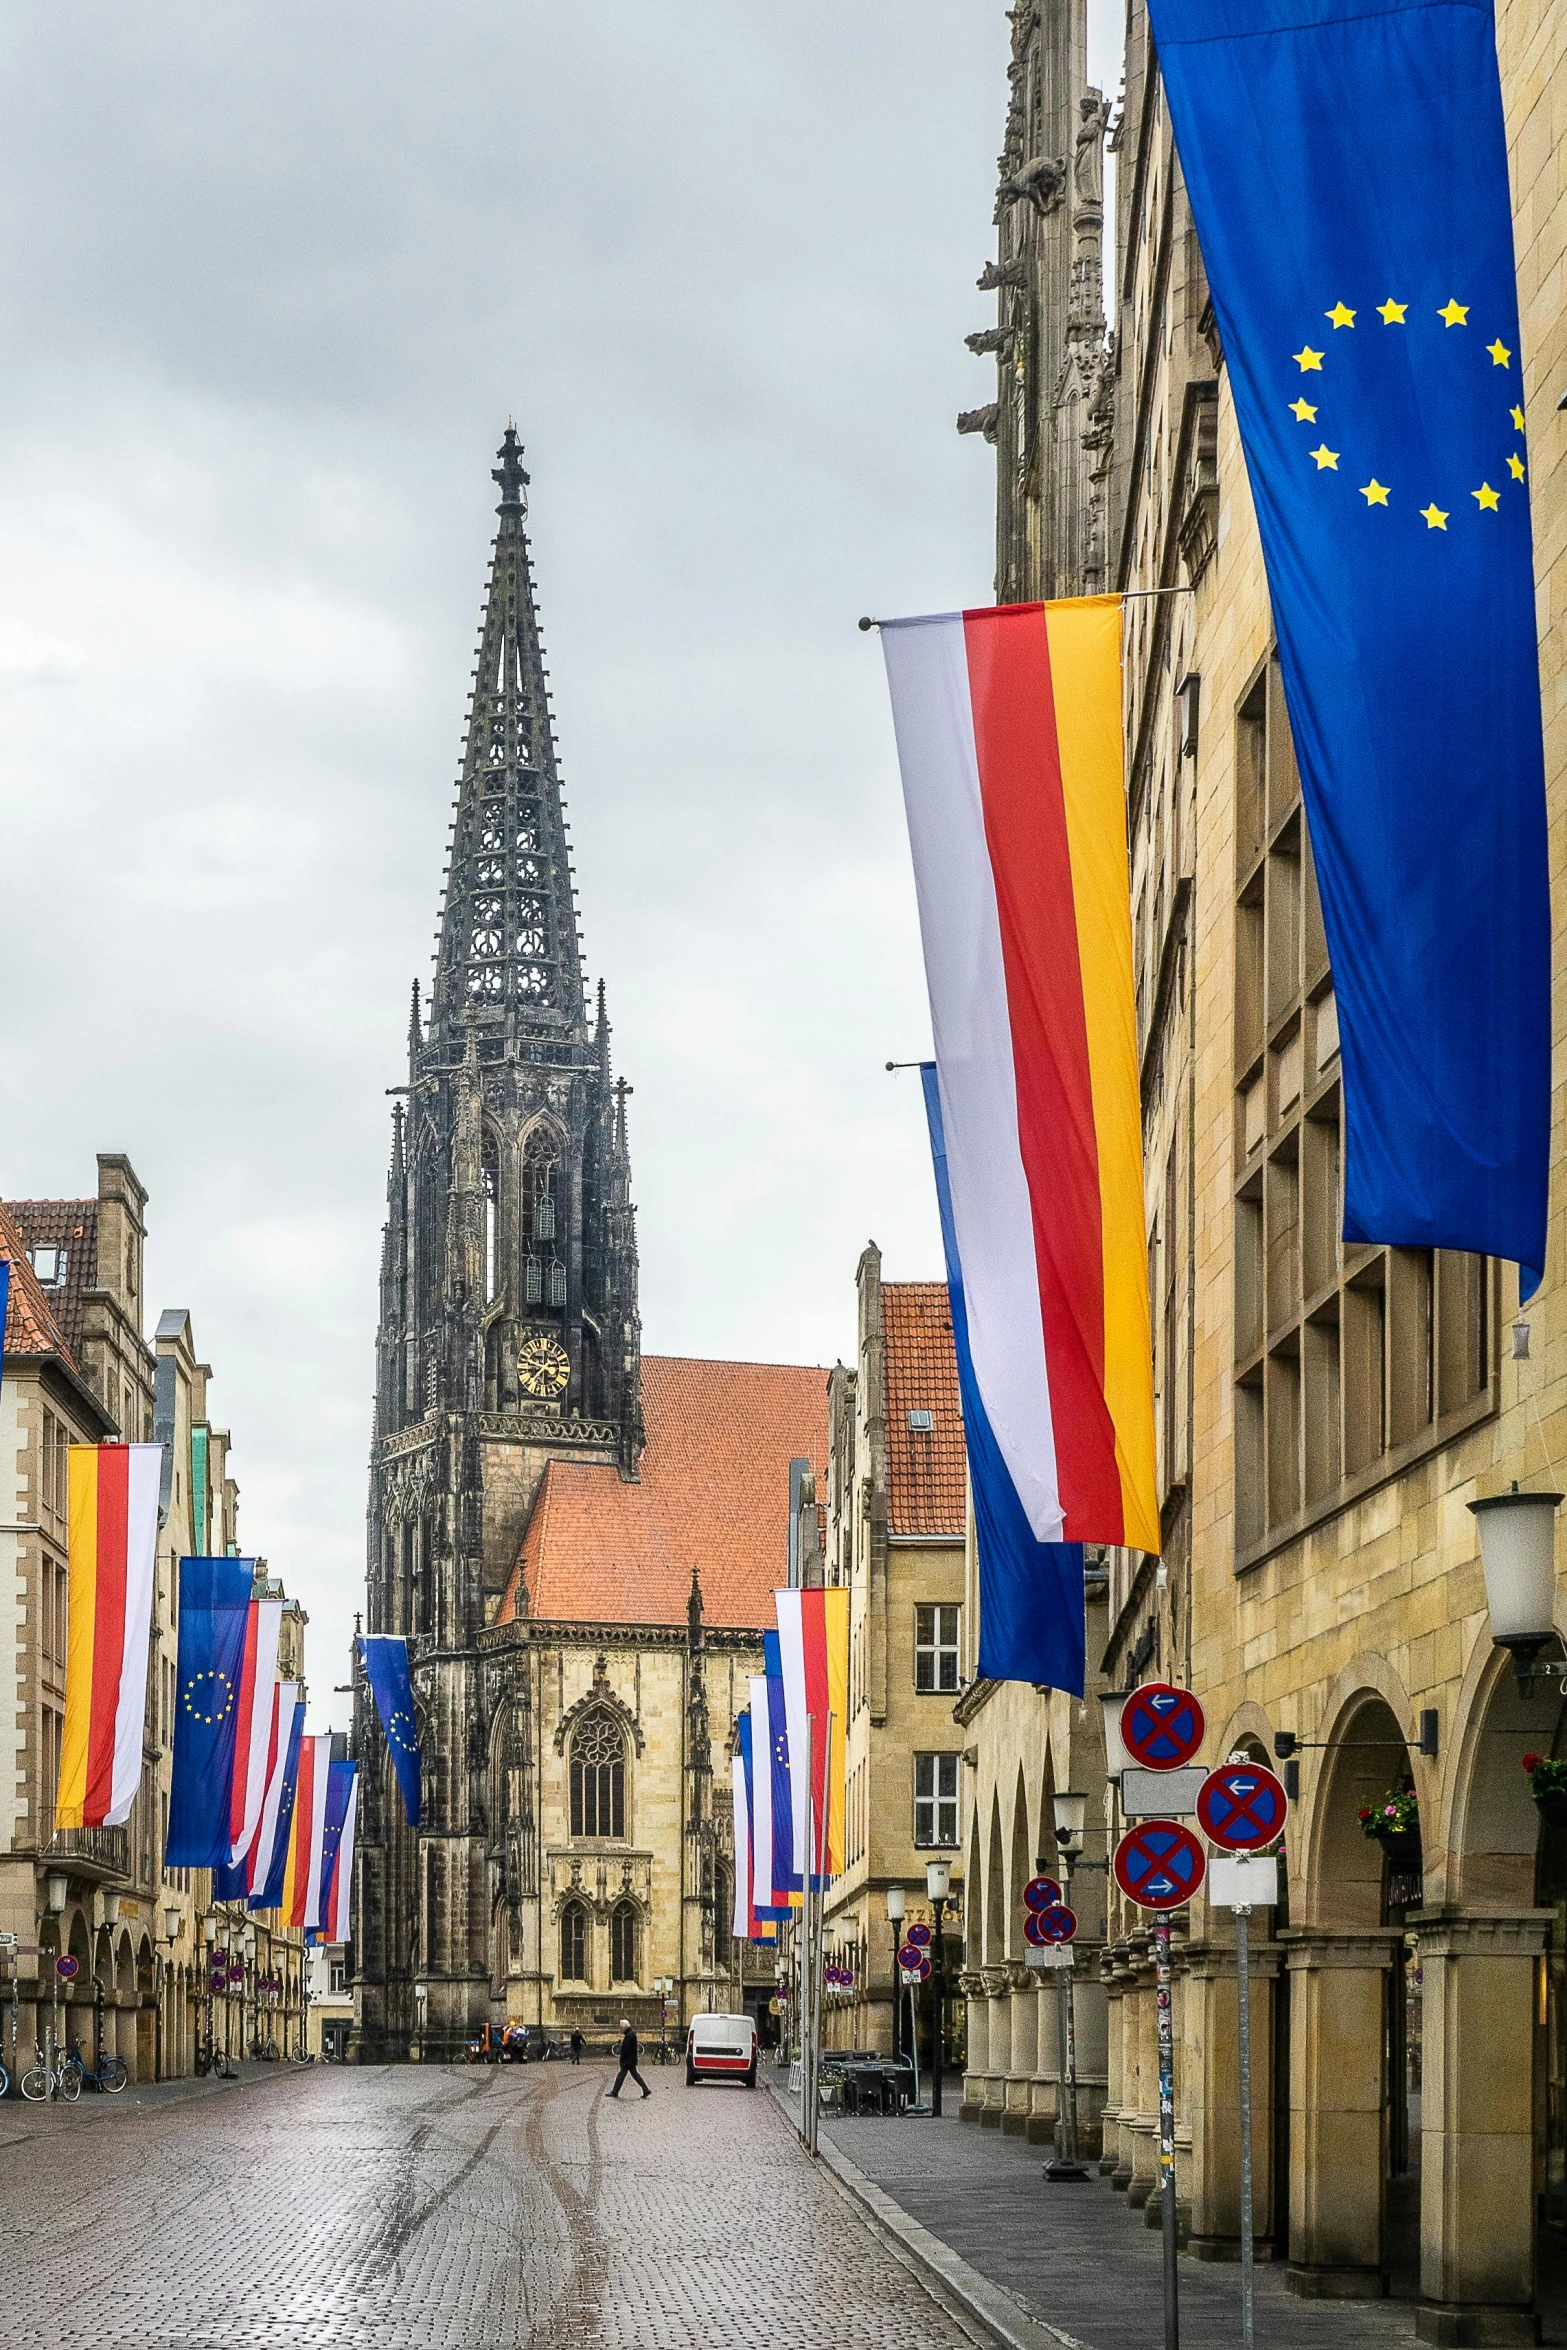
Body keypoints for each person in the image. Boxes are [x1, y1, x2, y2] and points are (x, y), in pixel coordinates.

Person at [608, 2017, 650, 2099]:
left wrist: (622, 2060)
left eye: (621, 2027)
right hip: (630, 2060)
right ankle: (646, 2090)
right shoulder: (630, 2034)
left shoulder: (629, 2035)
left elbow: (626, 2050)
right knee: (635, 2076)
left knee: (621, 2076)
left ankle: (614, 2092)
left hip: (628, 2061)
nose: (620, 2029)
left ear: (624, 2027)